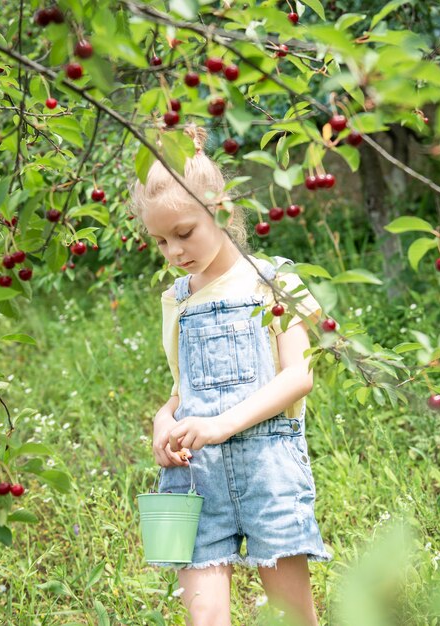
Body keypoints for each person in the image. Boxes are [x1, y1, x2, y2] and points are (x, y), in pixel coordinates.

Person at [131, 125, 332, 626]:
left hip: (269, 473)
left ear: (219, 210)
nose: (175, 252)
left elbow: (298, 377)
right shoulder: (175, 299)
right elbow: (183, 391)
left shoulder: (273, 279)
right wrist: (162, 421)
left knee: (295, 618)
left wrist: (220, 424)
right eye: (160, 241)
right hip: (195, 477)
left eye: (184, 233)